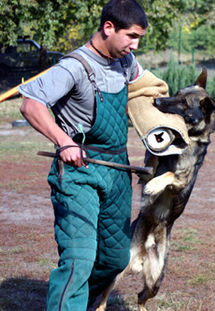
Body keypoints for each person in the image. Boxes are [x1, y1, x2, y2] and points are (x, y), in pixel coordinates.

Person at [19, 1, 148, 309]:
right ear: (108, 28)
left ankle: (78, 302)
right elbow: (30, 104)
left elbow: (146, 89)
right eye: (131, 36)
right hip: (78, 173)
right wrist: (64, 141)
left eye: (139, 38)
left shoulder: (126, 61)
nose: (135, 45)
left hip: (117, 171)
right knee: (79, 259)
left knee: (115, 258)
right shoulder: (73, 67)